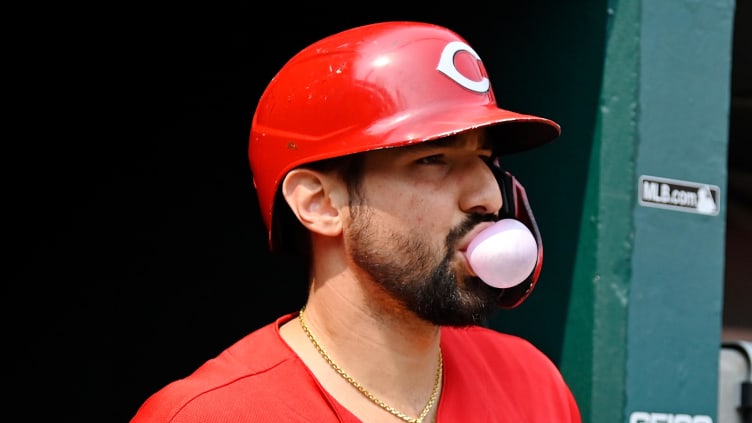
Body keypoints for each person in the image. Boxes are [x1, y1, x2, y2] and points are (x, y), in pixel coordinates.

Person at [131, 21, 582, 423]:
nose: (488, 196)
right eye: (433, 159)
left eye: (486, 159)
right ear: (320, 203)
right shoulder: (209, 415)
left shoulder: (533, 384)